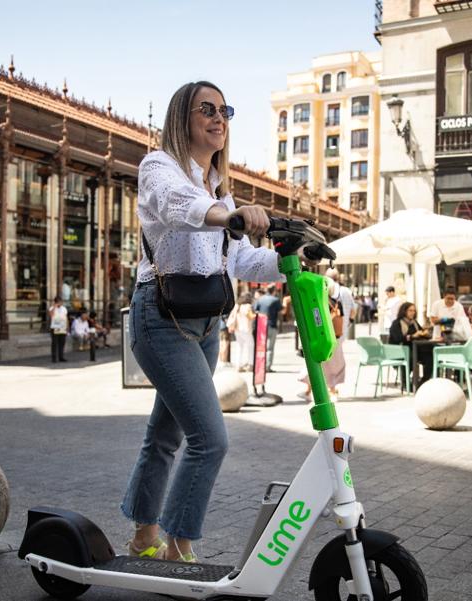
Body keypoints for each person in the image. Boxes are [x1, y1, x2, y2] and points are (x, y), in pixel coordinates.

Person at [123, 80, 287, 564]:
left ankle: (142, 537)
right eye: (207, 110)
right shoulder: (160, 168)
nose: (219, 118)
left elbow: (242, 264)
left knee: (165, 435)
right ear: (183, 118)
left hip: (207, 324)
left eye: (225, 110)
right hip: (161, 317)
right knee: (210, 439)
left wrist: (292, 258)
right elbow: (179, 207)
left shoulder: (221, 190)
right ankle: (178, 546)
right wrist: (227, 215)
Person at [299, 278, 348, 399]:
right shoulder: (337, 303)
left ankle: (309, 391)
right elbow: (341, 319)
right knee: (333, 366)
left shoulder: (317, 301)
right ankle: (332, 391)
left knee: (316, 363)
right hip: (334, 338)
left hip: (319, 337)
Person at [388, 301, 432, 385]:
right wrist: (412, 336)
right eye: (410, 310)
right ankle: (405, 382)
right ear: (404, 311)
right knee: (411, 356)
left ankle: (424, 381)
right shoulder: (397, 323)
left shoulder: (414, 322)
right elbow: (398, 338)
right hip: (400, 350)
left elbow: (420, 332)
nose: (412, 313)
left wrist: (425, 334)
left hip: (415, 349)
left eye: (414, 311)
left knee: (430, 355)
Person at [253, 283, 282, 371]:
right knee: (270, 348)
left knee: (261, 347)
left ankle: (260, 367)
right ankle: (267, 367)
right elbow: (282, 312)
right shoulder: (276, 300)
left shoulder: (260, 299)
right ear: (274, 291)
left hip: (261, 325)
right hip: (272, 325)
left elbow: (255, 310)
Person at [230, 292, 256, 371]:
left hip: (237, 329)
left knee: (239, 346)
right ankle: (250, 364)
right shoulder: (248, 306)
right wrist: (257, 315)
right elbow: (250, 316)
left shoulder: (237, 306)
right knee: (251, 346)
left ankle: (238, 365)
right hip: (246, 329)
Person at [48, 295, 68, 362]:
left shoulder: (64, 308)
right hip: (55, 327)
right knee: (54, 343)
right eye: (59, 302)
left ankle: (61, 357)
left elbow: (66, 317)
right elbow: (51, 315)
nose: (60, 303)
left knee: (62, 343)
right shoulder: (52, 308)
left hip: (62, 327)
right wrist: (54, 306)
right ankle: (54, 358)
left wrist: (67, 326)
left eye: (61, 302)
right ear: (56, 302)